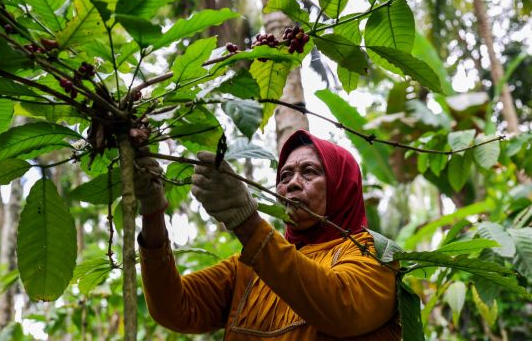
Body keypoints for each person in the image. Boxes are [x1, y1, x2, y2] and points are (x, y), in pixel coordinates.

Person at [134, 129, 401, 340]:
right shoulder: (249, 265)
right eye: (285, 176)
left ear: (342, 184)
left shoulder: (374, 252)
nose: (293, 183)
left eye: (309, 172)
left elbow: (342, 308)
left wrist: (246, 221)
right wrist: (152, 212)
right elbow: (175, 308)